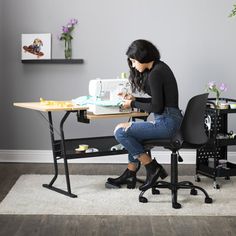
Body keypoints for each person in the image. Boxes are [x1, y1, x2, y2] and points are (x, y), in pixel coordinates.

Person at [105, 39, 183, 191]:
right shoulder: (160, 68)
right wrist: (135, 99)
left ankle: (152, 167)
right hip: (171, 120)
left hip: (167, 124)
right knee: (130, 133)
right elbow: (158, 101)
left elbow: (157, 107)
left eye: (134, 61)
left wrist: (132, 104)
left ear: (143, 58)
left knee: (121, 132)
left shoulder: (155, 73)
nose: (133, 65)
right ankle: (131, 173)